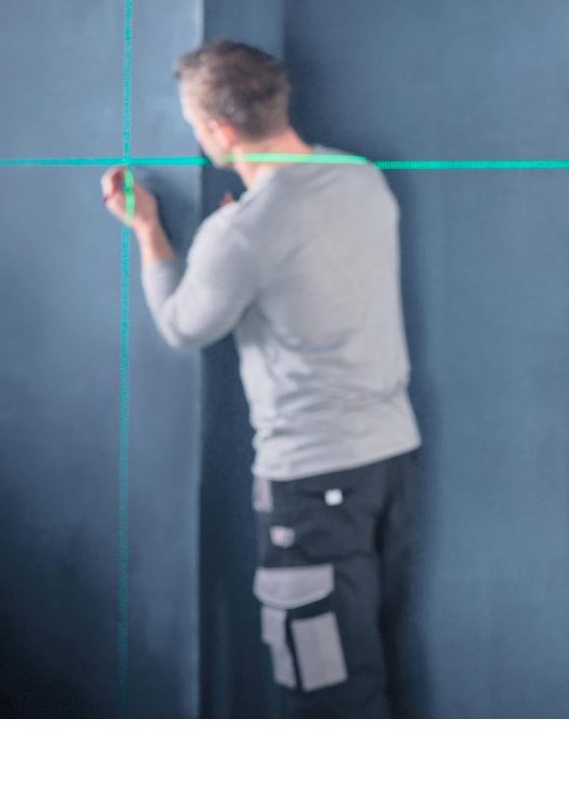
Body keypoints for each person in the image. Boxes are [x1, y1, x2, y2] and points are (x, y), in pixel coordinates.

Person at [100, 39, 420, 718]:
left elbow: (183, 325)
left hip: (311, 484)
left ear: (220, 130)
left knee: (328, 701)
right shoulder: (362, 179)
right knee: (372, 675)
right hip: (392, 462)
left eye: (194, 123)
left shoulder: (243, 232)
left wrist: (149, 229)